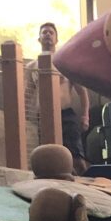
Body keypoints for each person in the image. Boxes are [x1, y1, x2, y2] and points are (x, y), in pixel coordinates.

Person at [27, 22, 90, 176]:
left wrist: (85, 115)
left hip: (66, 115)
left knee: (76, 157)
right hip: (43, 118)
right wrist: (24, 119)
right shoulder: (32, 66)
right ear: (39, 39)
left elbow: (82, 92)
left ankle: (84, 187)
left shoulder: (64, 63)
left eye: (51, 32)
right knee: (49, 156)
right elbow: (27, 94)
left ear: (56, 39)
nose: (47, 35)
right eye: (44, 32)